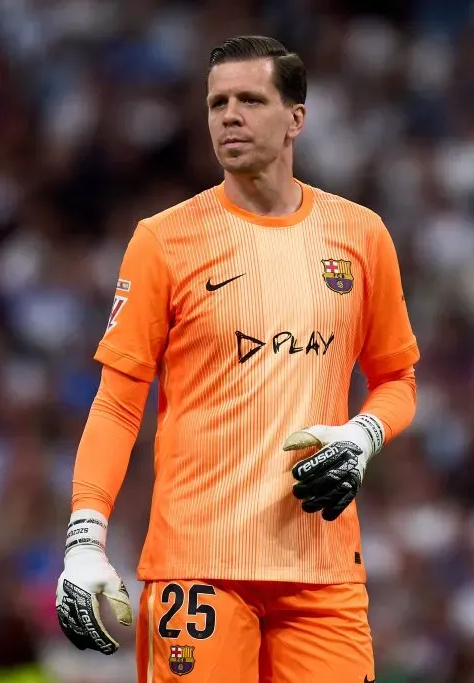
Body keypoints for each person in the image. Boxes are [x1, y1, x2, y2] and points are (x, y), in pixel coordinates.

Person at [54, 35, 419, 683]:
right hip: (199, 568)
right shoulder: (164, 241)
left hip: (322, 571)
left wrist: (363, 434)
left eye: (250, 99)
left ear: (295, 119)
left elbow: (396, 379)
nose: (230, 115)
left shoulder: (360, 235)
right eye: (217, 101)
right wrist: (85, 539)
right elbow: (116, 400)